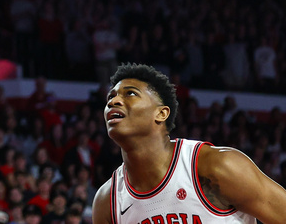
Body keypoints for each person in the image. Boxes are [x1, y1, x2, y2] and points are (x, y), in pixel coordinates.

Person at [92, 63, 286, 224]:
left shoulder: (216, 166)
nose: (114, 101)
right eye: (111, 96)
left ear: (161, 113)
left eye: (130, 94)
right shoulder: (107, 200)